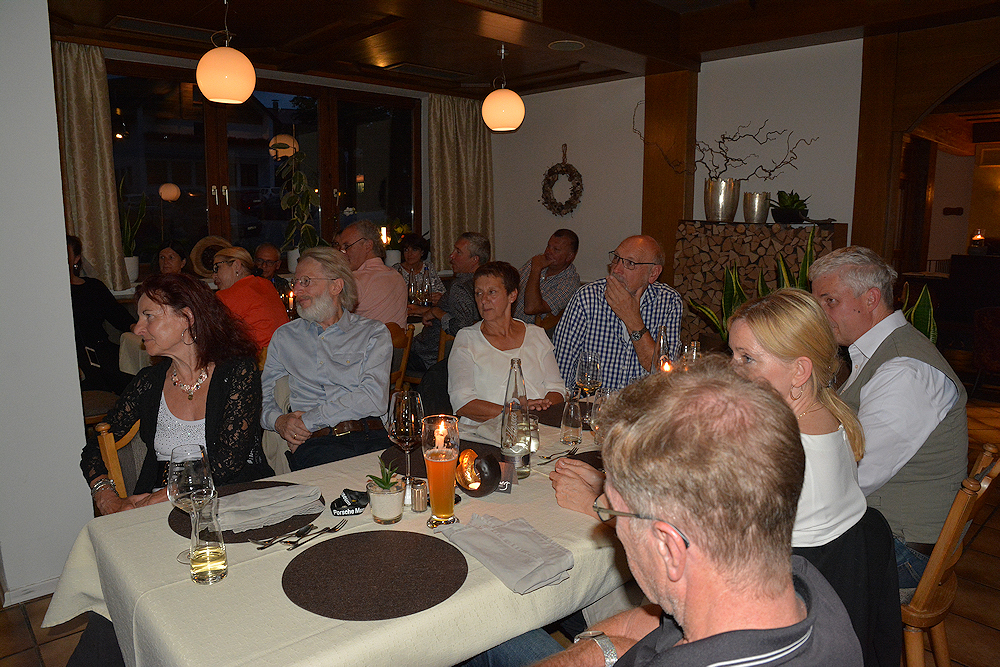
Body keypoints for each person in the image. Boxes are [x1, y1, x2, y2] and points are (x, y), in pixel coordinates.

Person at [488, 358, 862, 667]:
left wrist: (599, 652)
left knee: (491, 638)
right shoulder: (800, 582)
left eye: (611, 511)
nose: (609, 520)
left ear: (669, 548)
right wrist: (601, 650)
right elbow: (659, 625)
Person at [729, 289, 900, 666]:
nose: (732, 369)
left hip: (782, 617)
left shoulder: (783, 453)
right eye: (734, 355)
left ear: (799, 371)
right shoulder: (827, 416)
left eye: (747, 358)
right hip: (830, 591)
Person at [810, 246, 968, 588]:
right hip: (879, 528)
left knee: (759, 556)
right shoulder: (875, 352)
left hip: (904, 550)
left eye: (830, 301)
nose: (820, 315)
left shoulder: (905, 371)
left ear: (870, 299)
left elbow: (856, 474)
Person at [80, 273, 272, 516]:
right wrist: (106, 497)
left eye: (148, 316)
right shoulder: (149, 382)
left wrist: (166, 495)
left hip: (229, 500)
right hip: (161, 509)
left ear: (187, 317)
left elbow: (228, 461)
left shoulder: (237, 372)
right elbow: (95, 446)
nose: (138, 328)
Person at [261, 247, 393, 470]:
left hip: (369, 435)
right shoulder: (285, 337)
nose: (297, 290)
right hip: (317, 443)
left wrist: (309, 420)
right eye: (295, 282)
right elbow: (264, 397)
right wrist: (279, 421)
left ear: (336, 286)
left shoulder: (372, 332)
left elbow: (374, 398)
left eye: (306, 281)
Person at [553, 235, 682, 391]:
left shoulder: (668, 302)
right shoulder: (587, 297)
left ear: (653, 273)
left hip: (642, 404)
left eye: (630, 263)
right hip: (593, 403)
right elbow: (558, 374)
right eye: (616, 258)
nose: (616, 270)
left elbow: (666, 375)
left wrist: (632, 318)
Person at [449, 262, 565, 430]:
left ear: (512, 295)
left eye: (492, 292)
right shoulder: (467, 339)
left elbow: (557, 389)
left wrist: (540, 408)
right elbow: (463, 403)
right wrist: (516, 412)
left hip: (537, 427)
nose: (483, 300)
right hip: (486, 432)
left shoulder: (536, 335)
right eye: (478, 293)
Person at [408, 232, 490, 371]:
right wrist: (428, 311)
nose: (451, 256)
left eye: (458, 252)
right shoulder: (485, 283)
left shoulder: (460, 287)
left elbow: (462, 329)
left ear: (474, 260)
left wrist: (437, 312)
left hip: (431, 359)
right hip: (469, 358)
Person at [67, 235, 136, 394]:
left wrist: (136, 327)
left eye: (65, 253)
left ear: (76, 259)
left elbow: (118, 315)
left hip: (101, 349)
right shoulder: (49, 294)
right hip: (72, 355)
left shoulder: (93, 287)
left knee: (131, 379)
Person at [212, 246, 289, 353]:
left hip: (257, 358)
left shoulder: (226, 296)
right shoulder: (266, 284)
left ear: (236, 266)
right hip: (284, 353)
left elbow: (213, 337)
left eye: (217, 268)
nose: (214, 276)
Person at [338, 219, 407, 327]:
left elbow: (333, 321)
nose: (342, 253)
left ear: (368, 245)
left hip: (369, 338)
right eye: (341, 248)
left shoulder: (355, 281)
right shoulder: (397, 276)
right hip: (396, 338)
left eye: (347, 247)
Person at [512, 229, 580, 323]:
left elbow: (531, 308)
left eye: (556, 249)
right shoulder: (539, 260)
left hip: (529, 329)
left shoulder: (570, 282)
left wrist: (536, 270)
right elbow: (511, 285)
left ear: (569, 257)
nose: (548, 252)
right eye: (548, 246)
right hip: (506, 321)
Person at [392, 233, 446, 305]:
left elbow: (441, 291)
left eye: (414, 250)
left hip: (426, 307)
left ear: (422, 252)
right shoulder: (397, 270)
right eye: (406, 250)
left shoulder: (428, 267)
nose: (409, 254)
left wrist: (436, 296)